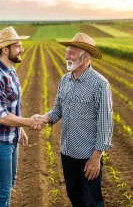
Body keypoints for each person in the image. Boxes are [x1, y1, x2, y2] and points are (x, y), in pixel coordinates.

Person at [37, 33, 113, 207]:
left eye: (71, 52)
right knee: (74, 195)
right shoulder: (65, 80)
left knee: (91, 201)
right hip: (67, 152)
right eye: (67, 52)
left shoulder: (99, 84)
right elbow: (57, 110)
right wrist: (44, 118)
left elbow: (105, 123)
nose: (66, 56)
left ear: (85, 56)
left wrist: (96, 157)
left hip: (88, 156)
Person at [0, 26, 47, 207]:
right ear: (5, 49)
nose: (22, 49)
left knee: (9, 186)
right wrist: (28, 123)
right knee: (2, 193)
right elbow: (0, 115)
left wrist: (19, 129)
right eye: (18, 46)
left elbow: (11, 108)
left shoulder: (10, 72)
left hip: (10, 138)